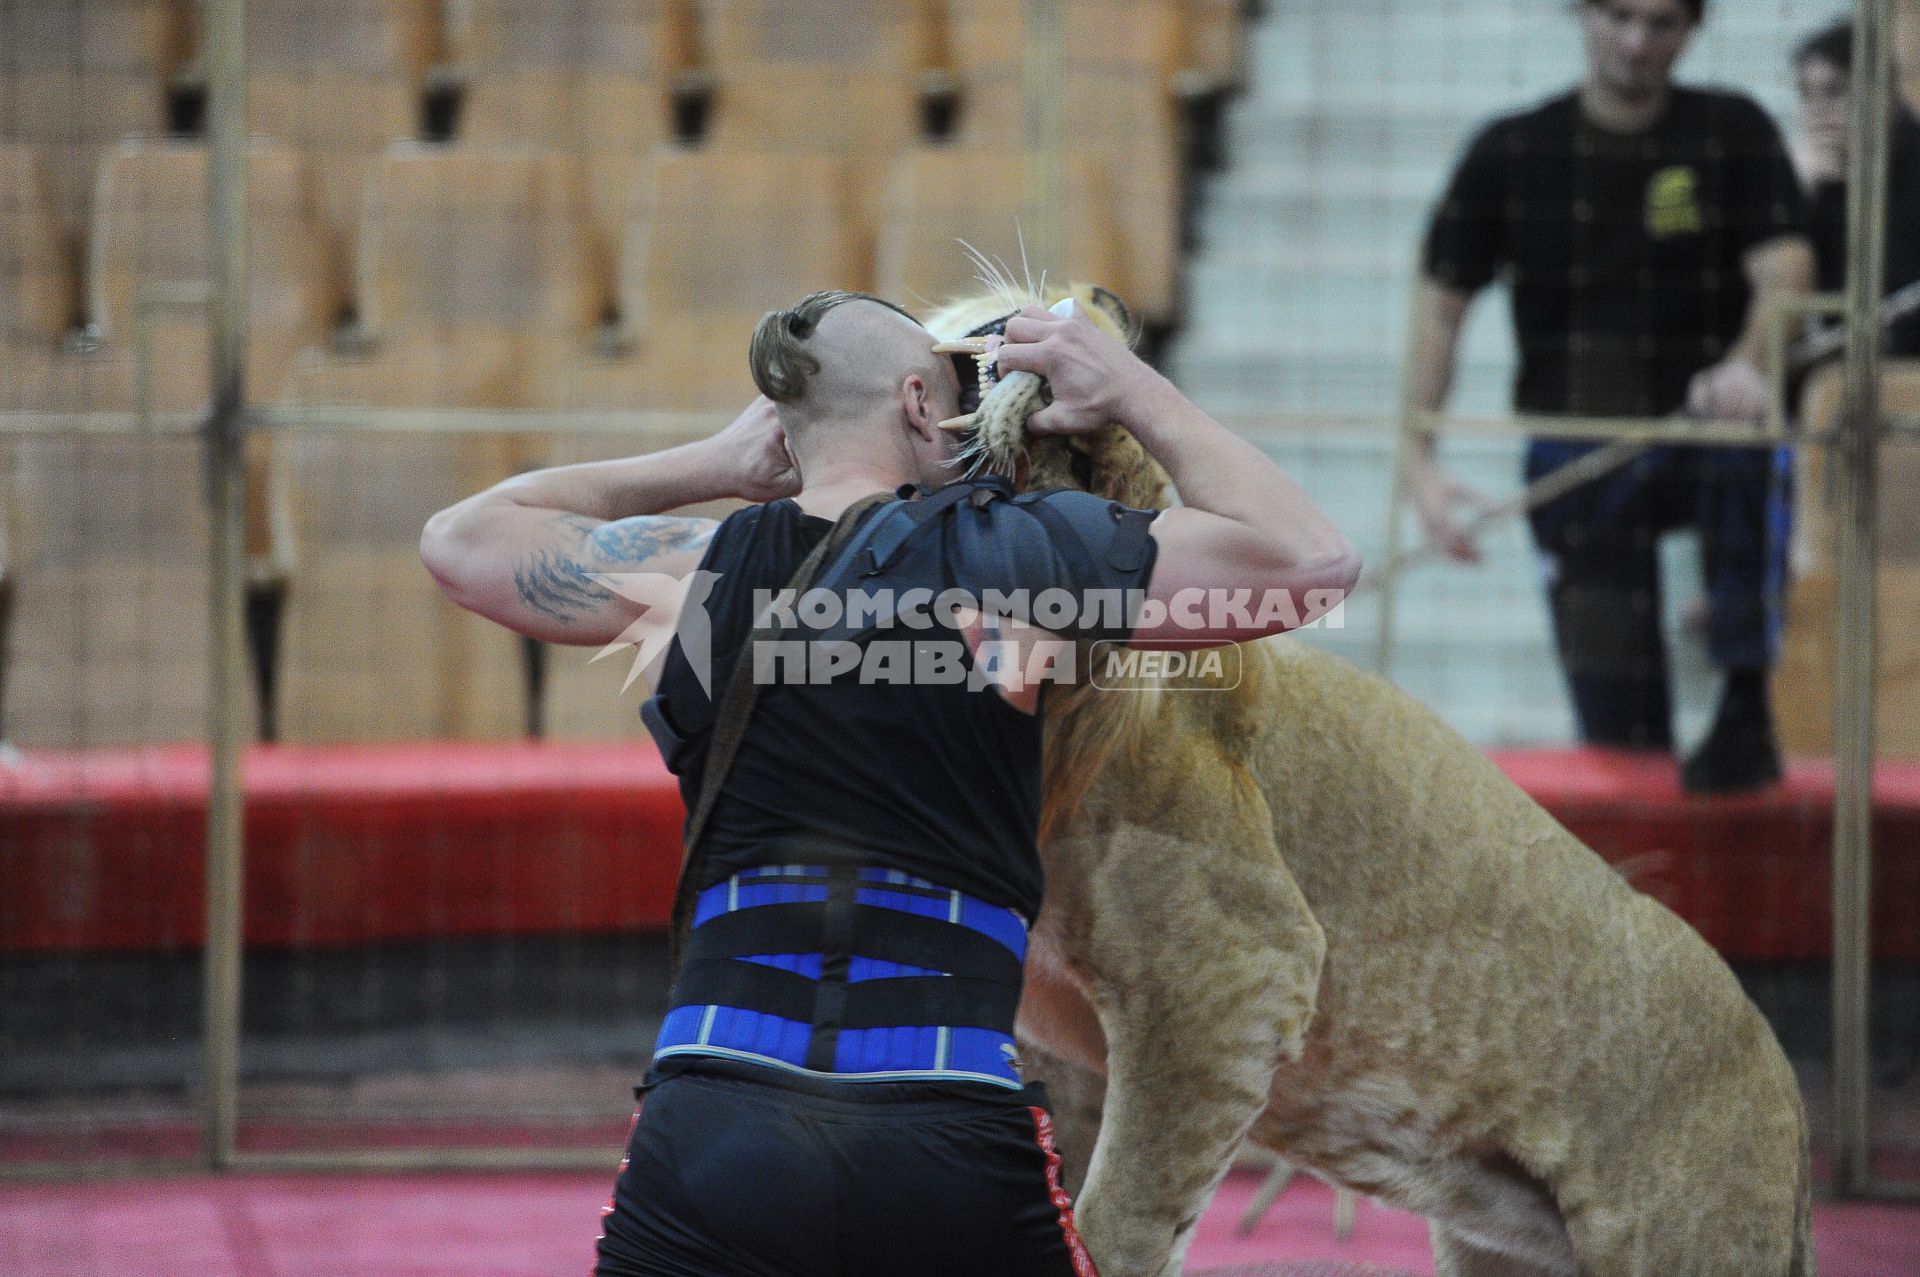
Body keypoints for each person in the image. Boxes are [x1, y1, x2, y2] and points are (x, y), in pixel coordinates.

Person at [420, 290, 1359, 1277]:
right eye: (954, 388)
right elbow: (1312, 561)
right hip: (939, 1115)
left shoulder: (696, 576)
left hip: (715, 1114)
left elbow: (462, 539)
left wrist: (712, 464)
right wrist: (1128, 387)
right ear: (918, 403)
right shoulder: (1015, 558)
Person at [1407, 0, 1815, 793]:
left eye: (1661, 23)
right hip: (1576, 442)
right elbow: (1441, 303)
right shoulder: (1513, 148)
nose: (1637, 42)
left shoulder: (1732, 130)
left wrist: (1747, 364)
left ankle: (1742, 695)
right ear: (1583, 16)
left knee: (1751, 444)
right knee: (1621, 732)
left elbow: (1787, 267)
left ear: (1692, 29)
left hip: (1707, 427)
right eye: (1619, 17)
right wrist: (1419, 460)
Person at [1792, 17, 1920, 359]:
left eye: (1834, 92)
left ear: (1883, 95)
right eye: (1806, 95)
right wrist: (1802, 195)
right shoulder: (1818, 176)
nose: (1817, 113)